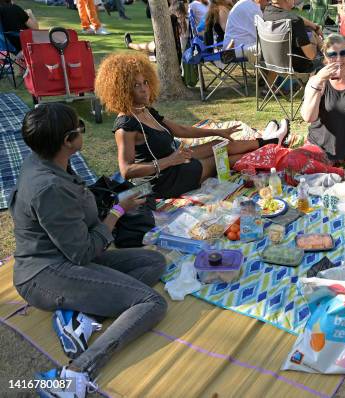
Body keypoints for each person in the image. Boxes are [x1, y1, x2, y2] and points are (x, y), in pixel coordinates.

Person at [9, 103, 168, 398]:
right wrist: (118, 210)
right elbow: (83, 252)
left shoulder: (46, 159)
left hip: (65, 255)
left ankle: (77, 316)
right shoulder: (48, 188)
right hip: (45, 272)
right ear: (67, 141)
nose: (85, 130)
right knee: (151, 303)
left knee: (152, 262)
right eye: (80, 127)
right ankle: (75, 374)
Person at [95, 53, 286, 199]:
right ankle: (271, 153)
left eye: (145, 82)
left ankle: (269, 140)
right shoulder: (126, 126)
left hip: (176, 160)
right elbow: (127, 171)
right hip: (161, 181)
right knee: (222, 159)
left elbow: (181, 130)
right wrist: (171, 160)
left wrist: (216, 130)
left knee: (220, 144)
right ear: (122, 90)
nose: (144, 88)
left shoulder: (145, 110)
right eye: (136, 85)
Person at [234, 34, 345, 179]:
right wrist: (318, 81)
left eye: (343, 53)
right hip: (318, 148)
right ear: (325, 59)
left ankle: (339, 175)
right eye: (332, 55)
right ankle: (341, 174)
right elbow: (308, 117)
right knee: (290, 162)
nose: (338, 59)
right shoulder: (316, 82)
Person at [263, 0, 323, 73]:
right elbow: (311, 55)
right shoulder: (295, 22)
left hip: (272, 65)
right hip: (297, 69)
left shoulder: (267, 12)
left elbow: (295, 17)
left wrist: (314, 26)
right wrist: (314, 38)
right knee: (330, 57)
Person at [124, 0, 189, 65]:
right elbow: (149, 14)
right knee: (146, 47)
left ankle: (130, 45)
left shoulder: (178, 18)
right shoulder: (169, 12)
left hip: (170, 47)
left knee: (146, 48)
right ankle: (130, 45)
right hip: (164, 43)